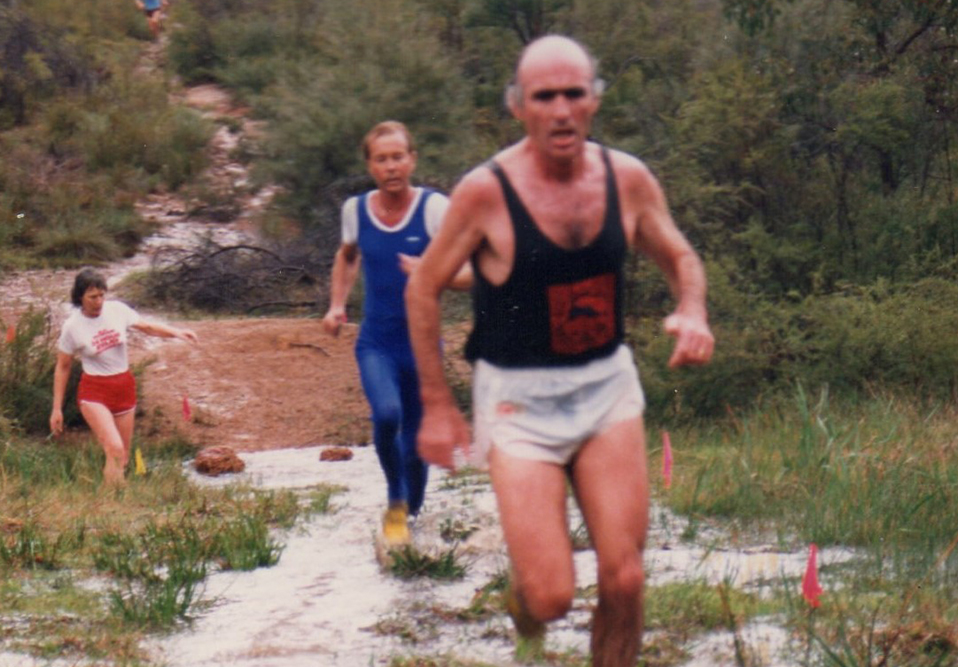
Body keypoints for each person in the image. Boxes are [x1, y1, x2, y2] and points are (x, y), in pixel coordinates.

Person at [404, 35, 714, 664]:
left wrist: (692, 308)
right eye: (546, 97)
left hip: (605, 388)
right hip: (518, 400)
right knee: (549, 598)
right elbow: (424, 288)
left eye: (575, 94)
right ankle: (525, 598)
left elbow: (679, 254)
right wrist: (438, 406)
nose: (562, 111)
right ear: (519, 106)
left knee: (624, 578)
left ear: (595, 100)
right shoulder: (485, 191)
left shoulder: (626, 179)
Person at [322, 121, 469, 547]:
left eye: (398, 157)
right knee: (387, 415)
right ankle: (395, 501)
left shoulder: (434, 209)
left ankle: (413, 516)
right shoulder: (356, 210)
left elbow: (469, 269)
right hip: (377, 342)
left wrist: (433, 272)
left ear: (412, 160)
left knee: (417, 442)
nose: (391, 167)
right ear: (370, 166)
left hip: (423, 347)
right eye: (382, 159)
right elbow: (347, 256)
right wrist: (336, 305)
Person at [50, 268, 198, 486]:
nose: (99, 301)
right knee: (115, 448)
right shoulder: (72, 327)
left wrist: (176, 332)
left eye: (102, 295)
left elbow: (147, 327)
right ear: (80, 297)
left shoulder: (117, 310)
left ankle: (114, 503)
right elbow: (63, 367)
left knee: (123, 458)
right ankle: (111, 502)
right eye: (92, 297)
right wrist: (57, 408)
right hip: (94, 392)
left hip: (123, 387)